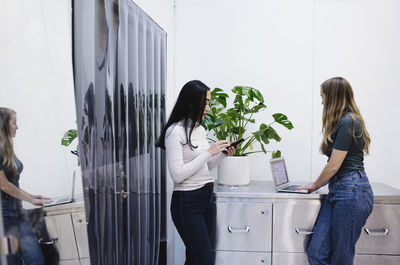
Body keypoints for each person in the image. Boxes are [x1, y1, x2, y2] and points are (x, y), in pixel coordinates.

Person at [156, 80, 236, 265]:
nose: (208, 107)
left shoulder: (200, 129)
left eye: (208, 102)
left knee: (195, 259)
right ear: (191, 102)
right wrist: (209, 152)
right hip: (187, 204)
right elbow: (177, 174)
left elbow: (202, 168)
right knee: (204, 261)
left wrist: (221, 156)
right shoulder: (174, 132)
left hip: (206, 199)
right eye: (205, 102)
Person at [298, 77, 374, 265]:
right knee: (316, 252)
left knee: (341, 258)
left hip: (352, 191)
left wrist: (315, 184)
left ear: (333, 97)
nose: (322, 101)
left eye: (323, 97)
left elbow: (333, 165)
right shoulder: (343, 121)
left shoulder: (349, 121)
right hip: (340, 191)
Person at [0, 107, 52, 265]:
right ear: (3, 125)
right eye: (14, 123)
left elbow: (12, 184)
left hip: (18, 212)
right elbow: (4, 185)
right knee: (12, 261)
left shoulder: (7, 150)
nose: (17, 126)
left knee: (36, 259)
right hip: (3, 219)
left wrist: (31, 196)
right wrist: (31, 200)